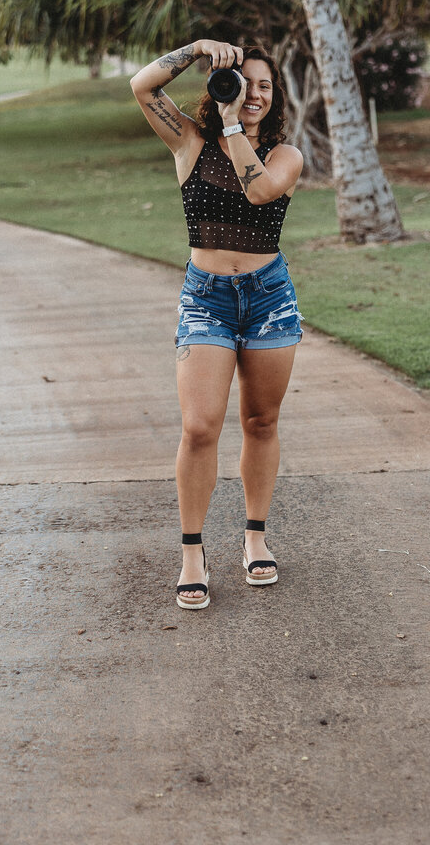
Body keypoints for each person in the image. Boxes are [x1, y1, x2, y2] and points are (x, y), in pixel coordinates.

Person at [130, 39, 304, 609]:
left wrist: (233, 127)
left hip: (269, 297)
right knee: (200, 426)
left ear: (274, 98)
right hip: (206, 298)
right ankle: (192, 551)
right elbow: (142, 86)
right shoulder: (189, 141)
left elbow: (258, 191)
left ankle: (255, 537)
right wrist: (198, 49)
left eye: (264, 86)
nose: (252, 94)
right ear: (218, 85)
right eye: (241, 81)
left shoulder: (286, 155)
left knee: (260, 420)